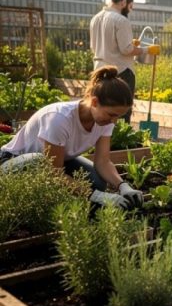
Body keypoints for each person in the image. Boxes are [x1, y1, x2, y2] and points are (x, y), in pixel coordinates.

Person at [0, 66, 144, 210]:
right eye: (112, 115)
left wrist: (122, 185)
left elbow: (103, 161)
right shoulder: (59, 119)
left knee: (97, 182)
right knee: (39, 162)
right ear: (94, 102)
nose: (114, 121)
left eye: (118, 116)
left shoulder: (104, 120)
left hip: (54, 163)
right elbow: (53, 172)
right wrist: (96, 196)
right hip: (12, 163)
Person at [90, 0, 160, 123]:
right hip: (121, 71)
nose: (130, 10)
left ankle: (104, 139)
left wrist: (131, 43)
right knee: (122, 110)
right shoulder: (121, 20)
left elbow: (95, 46)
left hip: (100, 71)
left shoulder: (95, 19)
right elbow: (126, 50)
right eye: (130, 7)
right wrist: (147, 50)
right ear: (123, 2)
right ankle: (123, 139)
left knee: (103, 109)